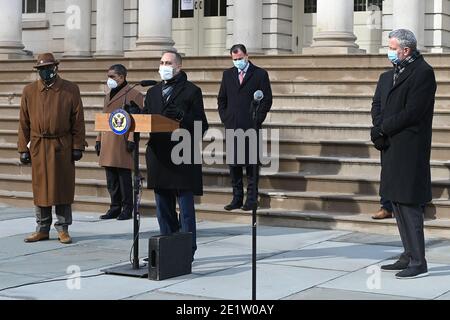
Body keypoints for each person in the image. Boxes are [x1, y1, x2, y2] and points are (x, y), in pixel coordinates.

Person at [371, 29, 436, 279]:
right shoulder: (388, 75)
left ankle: (419, 260)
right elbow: (377, 105)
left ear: (406, 50)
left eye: (392, 46)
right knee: (396, 202)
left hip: (410, 148)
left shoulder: (423, 73)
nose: (389, 51)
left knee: (409, 204)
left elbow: (413, 112)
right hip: (390, 146)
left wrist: (383, 128)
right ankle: (408, 254)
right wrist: (378, 128)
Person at [142, 50, 208, 260]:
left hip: (182, 156)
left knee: (186, 210)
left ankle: (187, 251)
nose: (164, 66)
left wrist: (182, 117)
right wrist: (133, 113)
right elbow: (147, 119)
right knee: (163, 208)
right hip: (159, 156)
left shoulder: (192, 91)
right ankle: (167, 249)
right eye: (161, 62)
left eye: (168, 63)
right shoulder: (152, 92)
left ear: (178, 66)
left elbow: (201, 126)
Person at [18, 53, 86, 244]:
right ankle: (42, 228)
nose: (45, 72)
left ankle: (63, 228)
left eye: (48, 68)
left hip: (61, 145)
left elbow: (78, 120)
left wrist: (78, 145)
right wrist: (23, 148)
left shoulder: (70, 89)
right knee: (41, 189)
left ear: (55, 68)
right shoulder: (29, 91)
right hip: (39, 144)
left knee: (62, 187)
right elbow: (24, 122)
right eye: (41, 69)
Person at [217, 44, 272, 211]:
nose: (238, 62)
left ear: (246, 56)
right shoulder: (227, 75)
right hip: (233, 126)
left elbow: (267, 99)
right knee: (234, 165)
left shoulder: (260, 74)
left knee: (251, 165)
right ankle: (237, 198)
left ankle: (252, 199)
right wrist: (226, 118)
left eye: (240, 58)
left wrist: (257, 119)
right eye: (235, 59)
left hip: (251, 126)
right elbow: (222, 99)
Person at [96, 64, 144, 221]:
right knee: (111, 179)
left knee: (123, 178)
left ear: (122, 77)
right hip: (108, 141)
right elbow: (104, 118)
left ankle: (127, 208)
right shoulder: (108, 95)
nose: (109, 80)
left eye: (112, 77)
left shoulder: (133, 94)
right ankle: (114, 207)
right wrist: (98, 139)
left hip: (122, 141)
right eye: (108, 76)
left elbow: (136, 120)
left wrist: (131, 139)